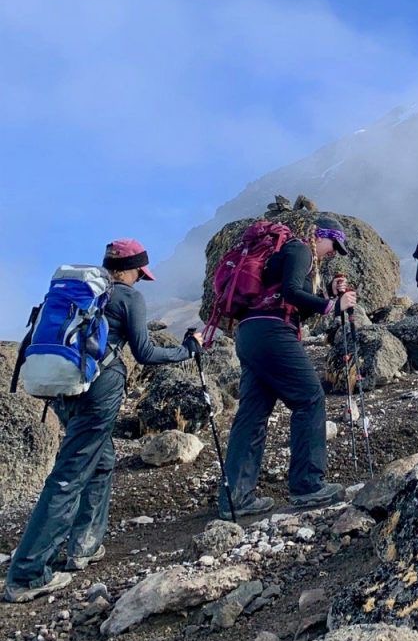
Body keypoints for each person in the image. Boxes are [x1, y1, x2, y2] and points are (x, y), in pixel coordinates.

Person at [4, 239, 200, 604]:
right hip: (101, 388)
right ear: (132, 270)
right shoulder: (128, 297)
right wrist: (186, 350)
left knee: (102, 459)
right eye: (140, 274)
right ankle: (27, 574)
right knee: (70, 474)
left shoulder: (81, 295)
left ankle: (84, 547)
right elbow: (145, 352)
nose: (139, 281)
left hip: (64, 385)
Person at [219, 215, 356, 519]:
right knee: (309, 398)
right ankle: (307, 485)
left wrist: (328, 295)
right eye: (333, 244)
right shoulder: (300, 249)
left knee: (252, 414)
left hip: (250, 332)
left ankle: (235, 498)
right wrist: (331, 306)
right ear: (321, 236)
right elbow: (293, 292)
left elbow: (292, 303)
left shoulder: (285, 252)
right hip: (272, 334)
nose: (333, 252)